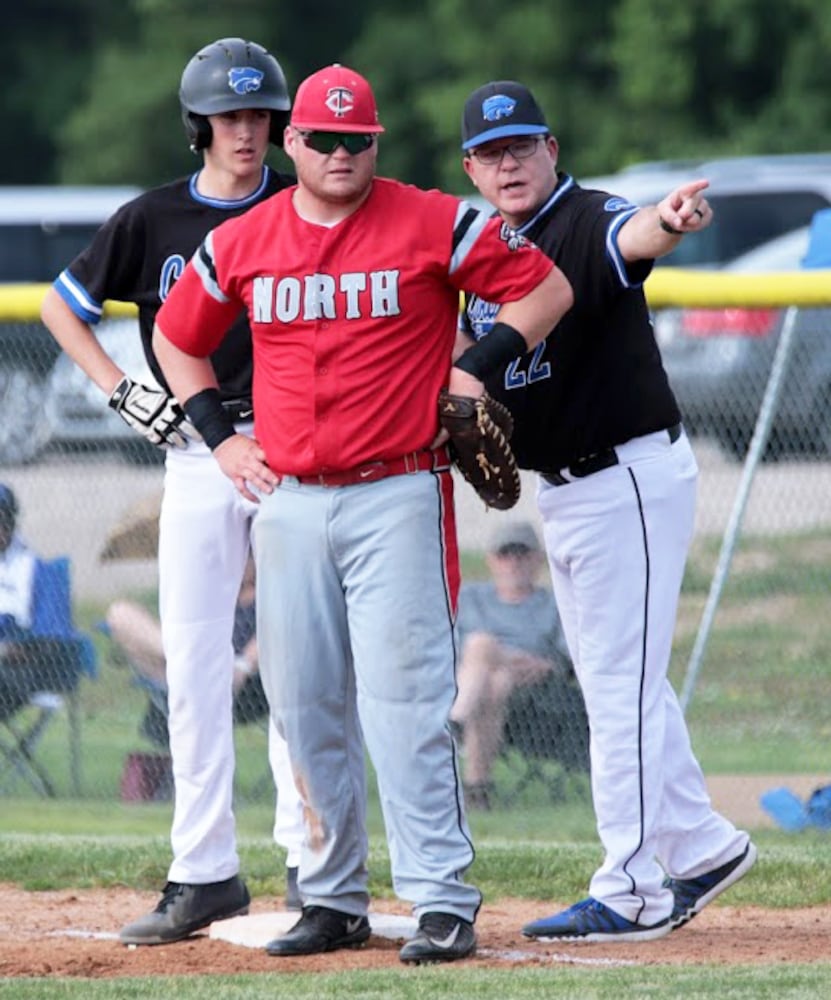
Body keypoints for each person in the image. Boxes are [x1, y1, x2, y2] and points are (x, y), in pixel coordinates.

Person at [149, 63, 573, 964]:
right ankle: (333, 897)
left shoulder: (432, 219)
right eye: (323, 139)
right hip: (291, 500)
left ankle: (442, 901)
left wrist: (473, 367)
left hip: (397, 490)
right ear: (292, 144)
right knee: (302, 709)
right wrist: (221, 437)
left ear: (374, 144)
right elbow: (176, 340)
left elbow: (546, 289)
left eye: (358, 140)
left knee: (406, 705)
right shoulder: (246, 238)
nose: (341, 154)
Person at [457, 80, 756, 943]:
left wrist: (666, 219)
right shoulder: (487, 243)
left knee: (616, 686)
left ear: (551, 148)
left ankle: (627, 888)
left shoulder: (584, 218)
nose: (508, 163)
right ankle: (699, 845)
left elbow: (635, 234)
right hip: (566, 490)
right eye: (490, 152)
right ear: (470, 168)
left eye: (522, 145)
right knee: (616, 679)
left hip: (624, 476)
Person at [39, 38, 306, 944]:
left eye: (261, 116)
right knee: (191, 669)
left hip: (291, 453)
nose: (248, 131)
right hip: (197, 455)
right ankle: (204, 872)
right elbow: (59, 307)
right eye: (231, 117)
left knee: (300, 663)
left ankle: (311, 860)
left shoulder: (303, 203)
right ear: (198, 125)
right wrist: (120, 387)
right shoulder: (152, 218)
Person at [450, 519, 585, 809]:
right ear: (491, 560)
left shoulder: (553, 604)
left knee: (481, 645)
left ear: (538, 559)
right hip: (481, 684)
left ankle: (455, 723)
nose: (513, 562)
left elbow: (570, 655)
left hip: (535, 698)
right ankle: (477, 790)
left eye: (522, 554)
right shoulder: (471, 598)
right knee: (492, 674)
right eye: (505, 554)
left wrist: (549, 666)